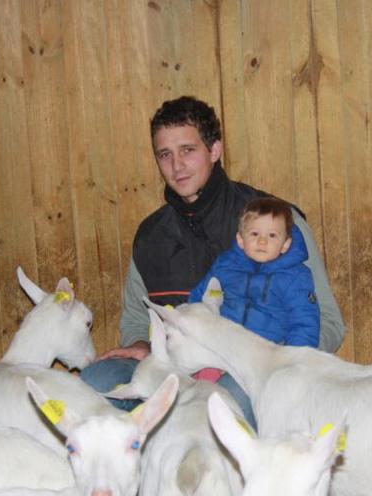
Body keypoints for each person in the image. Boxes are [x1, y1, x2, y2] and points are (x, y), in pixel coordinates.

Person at [80, 96, 345, 429]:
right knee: (93, 384)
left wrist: (269, 362)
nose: (176, 166)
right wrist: (140, 345)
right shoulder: (150, 238)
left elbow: (330, 323)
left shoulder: (273, 224)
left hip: (251, 371)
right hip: (174, 366)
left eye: (188, 150)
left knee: (223, 399)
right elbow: (136, 319)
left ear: (214, 150)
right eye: (165, 155)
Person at [188, 197, 320, 349]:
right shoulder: (225, 266)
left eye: (272, 235)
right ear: (241, 240)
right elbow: (198, 297)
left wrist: (294, 362)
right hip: (222, 345)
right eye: (255, 234)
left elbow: (304, 323)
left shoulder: (295, 277)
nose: (262, 241)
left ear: (285, 244)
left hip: (267, 352)